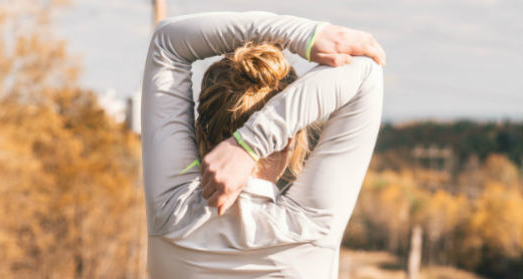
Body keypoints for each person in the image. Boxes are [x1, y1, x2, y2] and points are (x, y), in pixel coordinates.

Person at [141, 11, 385, 278]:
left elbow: (168, 41)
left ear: (201, 130)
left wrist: (306, 36)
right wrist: (249, 144)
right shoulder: (309, 228)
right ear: (289, 138)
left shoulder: (171, 213)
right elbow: (365, 71)